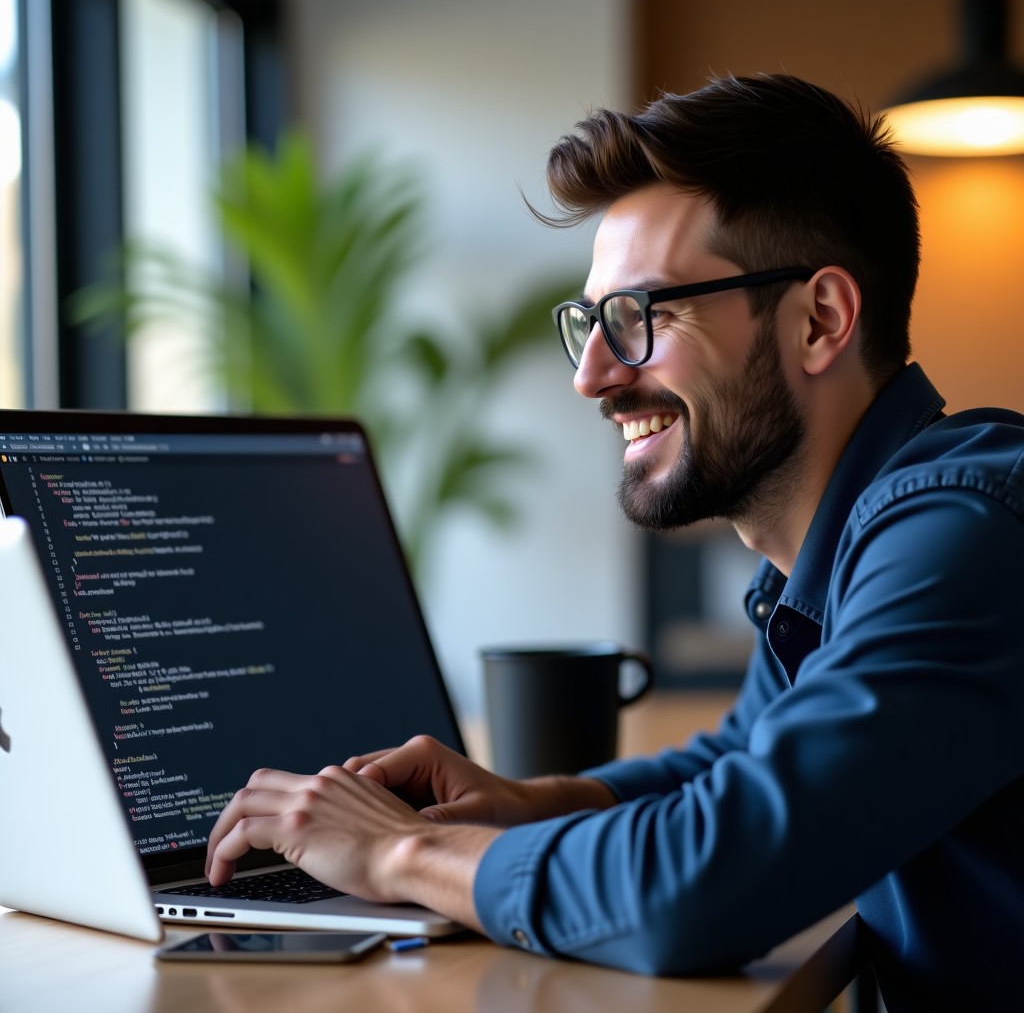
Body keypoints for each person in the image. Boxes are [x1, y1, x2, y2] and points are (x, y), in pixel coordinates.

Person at [205, 74, 1024, 1011]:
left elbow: (711, 879)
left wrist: (401, 851)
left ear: (820, 321)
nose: (592, 375)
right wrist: (529, 801)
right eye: (591, 322)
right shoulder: (831, 558)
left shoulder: (964, 534)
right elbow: (738, 764)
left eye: (643, 316)